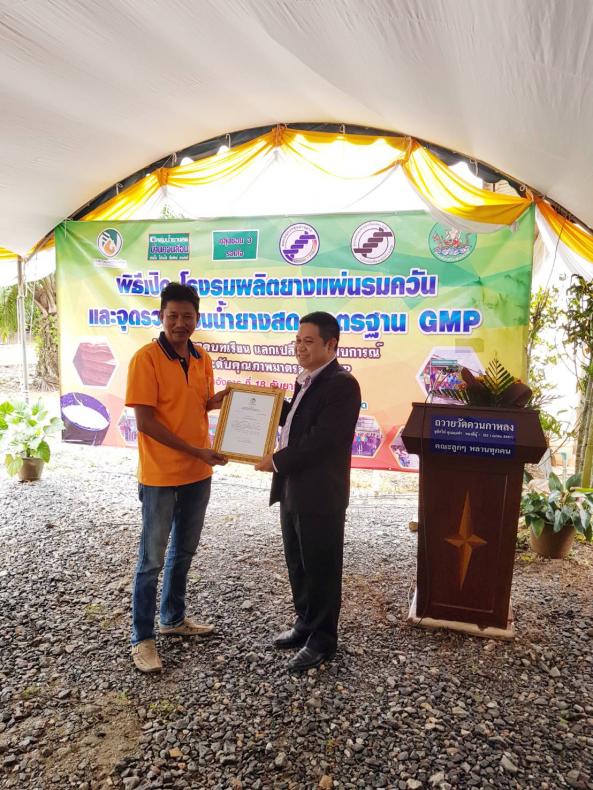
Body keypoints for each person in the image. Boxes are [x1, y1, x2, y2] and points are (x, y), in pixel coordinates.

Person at [126, 282, 228, 673]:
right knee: (151, 560)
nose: (180, 323)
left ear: (197, 319)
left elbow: (196, 404)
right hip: (160, 475)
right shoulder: (146, 359)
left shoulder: (202, 358)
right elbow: (146, 422)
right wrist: (196, 451)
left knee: (183, 552)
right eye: (173, 316)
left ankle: (172, 618)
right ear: (161, 317)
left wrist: (225, 400)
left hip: (198, 474)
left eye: (188, 316)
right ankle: (142, 638)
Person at [255, 312, 361, 672]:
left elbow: (323, 440)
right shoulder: (306, 380)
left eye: (308, 341)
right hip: (293, 489)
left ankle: (323, 639)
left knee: (322, 567)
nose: (300, 347)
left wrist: (276, 461)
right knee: (298, 562)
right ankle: (305, 622)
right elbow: (296, 421)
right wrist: (255, 403)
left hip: (320, 495)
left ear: (331, 344)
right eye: (298, 340)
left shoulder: (342, 385)